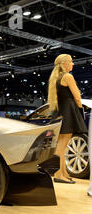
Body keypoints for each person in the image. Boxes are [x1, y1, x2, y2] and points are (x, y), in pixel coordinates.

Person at [48, 54, 87, 184]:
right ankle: (59, 175)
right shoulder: (68, 76)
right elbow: (77, 97)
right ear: (64, 64)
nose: (73, 64)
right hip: (69, 113)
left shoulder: (56, 78)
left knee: (62, 146)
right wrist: (81, 110)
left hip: (60, 113)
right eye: (71, 62)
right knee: (62, 147)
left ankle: (64, 173)